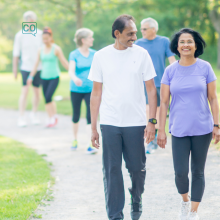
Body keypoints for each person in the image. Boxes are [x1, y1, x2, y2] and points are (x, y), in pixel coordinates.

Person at [89, 15, 157, 220]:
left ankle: (136, 197)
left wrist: (151, 122)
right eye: (130, 34)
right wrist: (94, 127)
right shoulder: (101, 56)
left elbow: (151, 91)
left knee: (137, 168)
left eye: (136, 33)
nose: (134, 37)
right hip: (110, 122)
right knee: (112, 171)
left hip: (135, 123)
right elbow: (96, 93)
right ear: (117, 34)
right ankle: (115, 215)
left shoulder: (142, 54)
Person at [157, 28, 220, 220]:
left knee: (198, 171)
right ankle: (185, 201)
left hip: (203, 128)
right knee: (180, 172)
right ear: (177, 46)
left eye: (189, 41)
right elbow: (164, 102)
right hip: (179, 129)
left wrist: (217, 125)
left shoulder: (205, 67)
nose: (186, 45)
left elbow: (213, 98)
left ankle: (193, 212)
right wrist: (161, 129)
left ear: (196, 45)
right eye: (182, 41)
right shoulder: (170, 70)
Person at [135, 17, 176, 154]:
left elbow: (171, 60)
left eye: (144, 29)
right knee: (148, 109)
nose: (142, 31)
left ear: (154, 29)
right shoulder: (138, 43)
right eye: (141, 29)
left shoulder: (164, 41)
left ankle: (157, 135)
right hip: (143, 83)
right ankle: (151, 140)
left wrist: (176, 75)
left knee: (159, 109)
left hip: (161, 82)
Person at [27, 27, 68, 127]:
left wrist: (73, 72)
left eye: (46, 38)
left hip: (54, 77)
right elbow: (36, 64)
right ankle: (52, 117)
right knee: (47, 98)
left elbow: (64, 62)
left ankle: (51, 118)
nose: (45, 41)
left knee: (48, 97)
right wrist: (30, 77)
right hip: (43, 77)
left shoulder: (56, 49)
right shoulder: (40, 50)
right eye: (43, 39)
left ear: (51, 37)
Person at [68, 28, 98, 154]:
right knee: (76, 115)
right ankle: (74, 139)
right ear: (83, 40)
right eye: (90, 37)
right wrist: (75, 79)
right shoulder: (74, 54)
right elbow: (71, 70)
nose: (92, 39)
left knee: (90, 116)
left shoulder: (95, 54)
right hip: (76, 89)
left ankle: (90, 143)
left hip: (91, 90)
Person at [13, 11, 42, 127]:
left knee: (37, 92)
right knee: (24, 92)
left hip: (39, 68)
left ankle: (34, 114)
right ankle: (21, 116)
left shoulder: (39, 34)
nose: (30, 22)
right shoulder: (19, 35)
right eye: (28, 20)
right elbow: (16, 53)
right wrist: (15, 70)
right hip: (25, 67)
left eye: (32, 20)